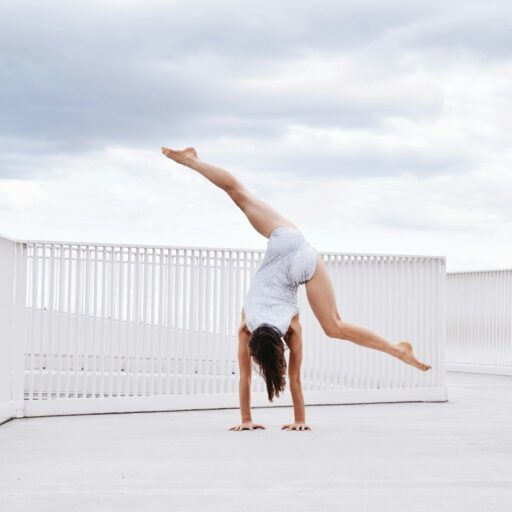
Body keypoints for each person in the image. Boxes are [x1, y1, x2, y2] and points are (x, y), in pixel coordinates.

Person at [161, 146, 432, 432]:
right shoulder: (247, 326)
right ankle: (191, 161)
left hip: (299, 260)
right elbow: (263, 379)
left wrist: (252, 420)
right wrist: (277, 420)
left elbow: (275, 378)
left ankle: (397, 349)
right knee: (239, 195)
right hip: (288, 243)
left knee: (335, 327)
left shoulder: (288, 329)